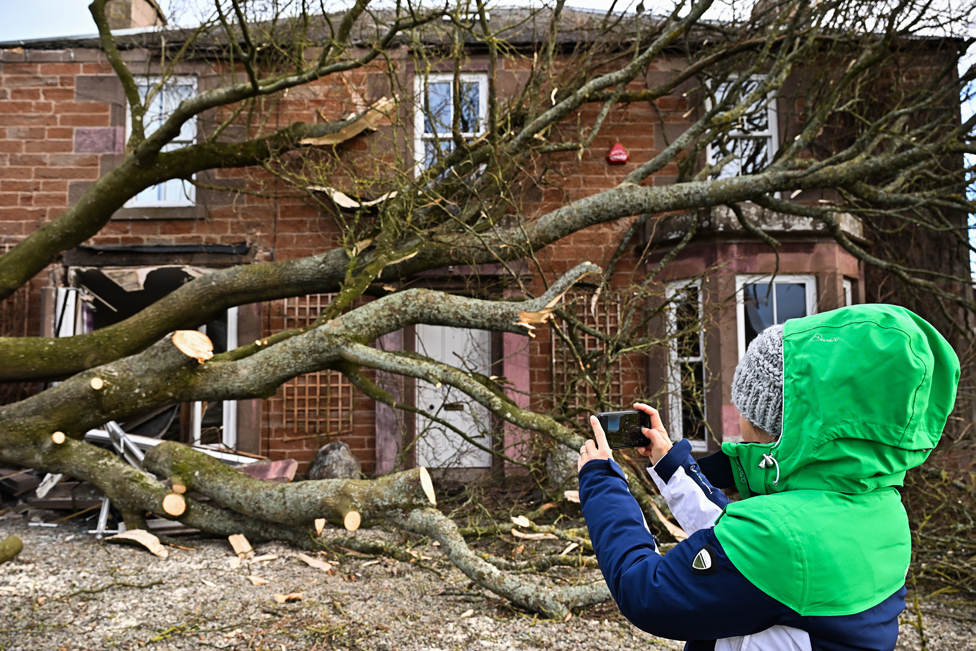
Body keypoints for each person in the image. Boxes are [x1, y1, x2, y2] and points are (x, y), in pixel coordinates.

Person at [577, 304, 960, 651]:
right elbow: (738, 544)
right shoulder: (878, 508)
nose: (740, 418)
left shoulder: (779, 537)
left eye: (746, 404)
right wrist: (671, 464)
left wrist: (600, 481)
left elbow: (646, 592)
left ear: (779, 423)